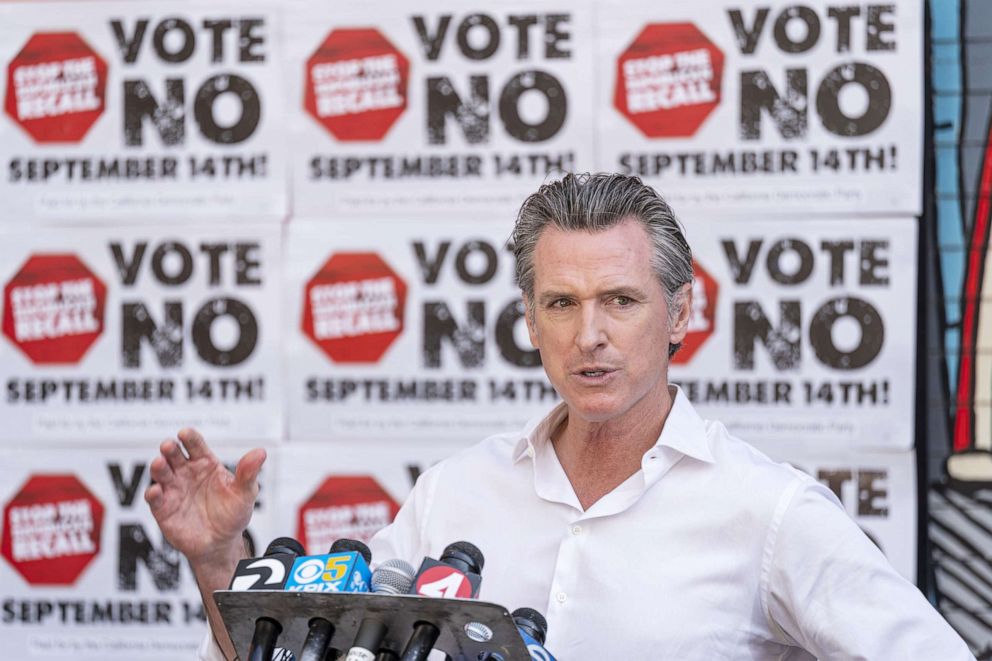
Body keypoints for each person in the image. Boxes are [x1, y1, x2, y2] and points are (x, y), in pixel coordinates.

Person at [147, 173, 974, 660]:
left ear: (681, 312)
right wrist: (221, 559)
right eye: (562, 303)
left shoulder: (768, 511)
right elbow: (294, 650)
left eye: (621, 299)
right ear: (529, 320)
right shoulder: (456, 493)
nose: (591, 336)